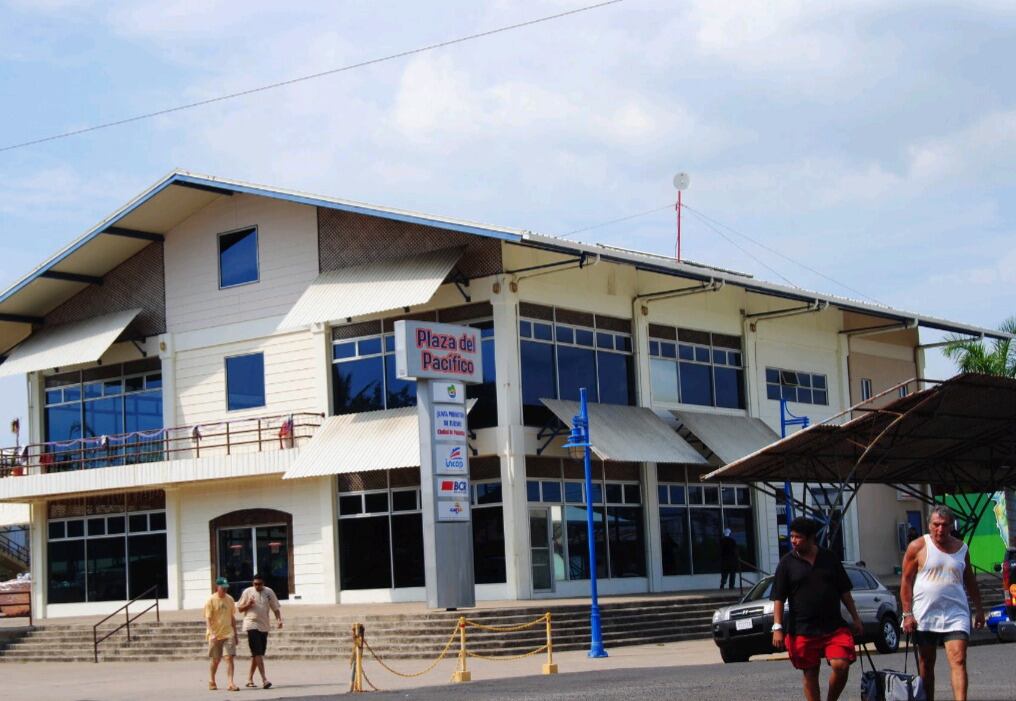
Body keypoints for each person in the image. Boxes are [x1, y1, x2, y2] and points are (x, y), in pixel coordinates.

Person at [771, 517, 863, 701]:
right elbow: (778, 598)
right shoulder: (786, 563)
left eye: (798, 537)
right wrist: (777, 627)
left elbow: (844, 592)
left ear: (811, 538)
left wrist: (856, 618)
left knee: (841, 665)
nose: (793, 541)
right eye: (792, 536)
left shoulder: (829, 558)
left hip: (833, 627)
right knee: (810, 672)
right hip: (802, 629)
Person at [900, 505, 985, 701]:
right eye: (936, 525)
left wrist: (979, 609)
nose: (940, 529)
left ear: (951, 526)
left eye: (944, 525)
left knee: (959, 659)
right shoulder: (917, 546)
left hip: (956, 613)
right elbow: (906, 579)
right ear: (929, 525)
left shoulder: (962, 549)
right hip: (925, 614)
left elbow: (969, 580)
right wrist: (907, 613)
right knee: (926, 663)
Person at [236, 573, 283, 689]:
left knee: (257, 653)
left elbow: (275, 608)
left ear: (263, 583)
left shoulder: (269, 592)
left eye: (259, 584)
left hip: (264, 625)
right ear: (253, 583)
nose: (257, 586)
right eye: (255, 584)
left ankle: (249, 679)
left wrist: (279, 620)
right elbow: (240, 609)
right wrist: (248, 604)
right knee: (257, 652)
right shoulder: (247, 592)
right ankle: (264, 679)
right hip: (251, 624)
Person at [205, 576, 239, 692]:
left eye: (226, 587)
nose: (225, 590)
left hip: (228, 633)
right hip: (215, 635)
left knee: (229, 658)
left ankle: (230, 683)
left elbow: (232, 617)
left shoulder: (230, 599)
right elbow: (208, 619)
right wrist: (212, 633)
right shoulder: (210, 600)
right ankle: (212, 680)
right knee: (216, 660)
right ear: (217, 587)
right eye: (222, 587)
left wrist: (236, 634)